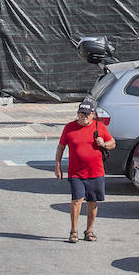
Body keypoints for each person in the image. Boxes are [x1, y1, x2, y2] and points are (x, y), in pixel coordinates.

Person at [54, 101, 115, 243]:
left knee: (92, 202)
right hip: (76, 173)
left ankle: (89, 230)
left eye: (87, 114)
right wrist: (58, 166)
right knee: (77, 200)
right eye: (82, 113)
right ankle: (73, 231)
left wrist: (104, 144)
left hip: (96, 172)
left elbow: (112, 143)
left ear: (93, 115)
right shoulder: (69, 128)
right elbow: (60, 147)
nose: (84, 116)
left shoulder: (99, 127)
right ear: (77, 114)